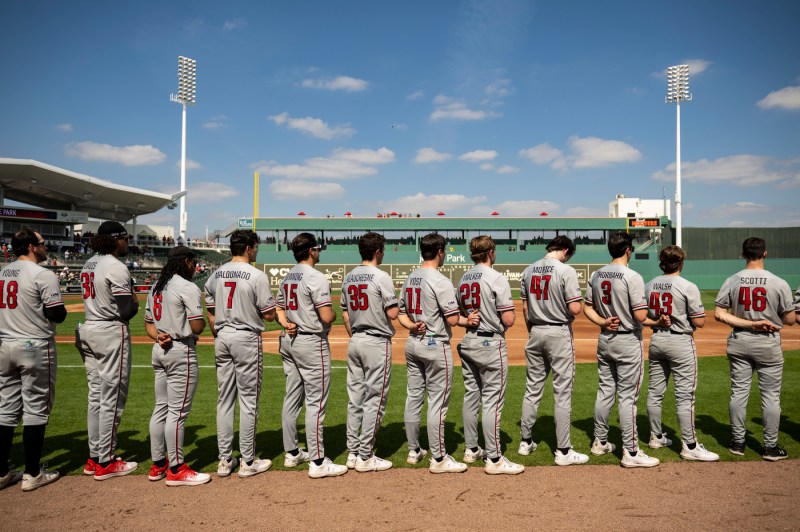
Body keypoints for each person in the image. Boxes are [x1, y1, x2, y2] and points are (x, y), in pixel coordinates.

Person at [583, 231, 668, 468]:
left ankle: (599, 442)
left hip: (605, 338)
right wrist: (656, 319)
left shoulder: (597, 274)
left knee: (605, 392)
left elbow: (587, 307)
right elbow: (640, 315)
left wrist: (601, 321)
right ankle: (630, 451)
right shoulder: (632, 276)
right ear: (628, 249)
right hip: (628, 340)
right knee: (628, 398)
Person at [399, 233, 477, 474]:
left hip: (413, 343)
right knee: (437, 403)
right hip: (435, 345)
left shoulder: (410, 277)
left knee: (414, 398)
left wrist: (412, 326)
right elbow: (453, 319)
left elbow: (401, 313)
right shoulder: (440, 280)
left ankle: (414, 451)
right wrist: (469, 320)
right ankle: (439, 457)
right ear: (440, 251)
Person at [714, 237, 796, 460]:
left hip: (739, 340)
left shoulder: (732, 280)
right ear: (765, 253)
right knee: (770, 396)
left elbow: (720, 313)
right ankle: (770, 448)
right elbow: (789, 320)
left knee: (739, 393)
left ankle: (738, 443)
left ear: (743, 254)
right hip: (768, 341)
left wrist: (748, 322)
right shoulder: (778, 282)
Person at [204, 230, 276, 478]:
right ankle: (247, 461)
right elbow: (268, 313)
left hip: (222, 336)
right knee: (248, 401)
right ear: (248, 247)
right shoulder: (257, 275)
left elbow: (210, 307)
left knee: (224, 400)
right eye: (255, 246)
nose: (257, 250)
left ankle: (224, 460)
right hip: (245, 337)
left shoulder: (216, 273)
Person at [276, 233, 347, 479]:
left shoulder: (288, 275)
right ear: (310, 251)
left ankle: (292, 452)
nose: (319, 252)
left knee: (292, 397)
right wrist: (334, 316)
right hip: (311, 341)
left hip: (290, 340)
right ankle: (317, 461)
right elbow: (327, 316)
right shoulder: (315, 277)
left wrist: (286, 323)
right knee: (316, 403)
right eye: (317, 248)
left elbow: (278, 308)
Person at [0, 228, 66, 491]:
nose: (45, 247)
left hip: (5, 344)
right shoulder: (43, 274)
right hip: (35, 344)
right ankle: (32, 473)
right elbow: (58, 314)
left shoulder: (3, 271)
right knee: (36, 410)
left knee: (6, 410)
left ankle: (2, 472)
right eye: (42, 243)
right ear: (30, 246)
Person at [76, 221, 140, 480]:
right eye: (125, 238)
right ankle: (106, 461)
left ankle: (94, 458)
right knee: (112, 397)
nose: (127, 243)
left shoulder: (89, 263)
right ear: (116, 239)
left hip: (88, 328)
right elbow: (126, 310)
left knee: (96, 397)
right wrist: (136, 300)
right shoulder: (116, 266)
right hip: (110, 331)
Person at [519, 235, 589, 466]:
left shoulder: (528, 270)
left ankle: (525, 441)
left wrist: (532, 329)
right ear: (566, 250)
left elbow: (525, 307)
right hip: (558, 332)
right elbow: (575, 308)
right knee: (562, 392)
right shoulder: (565, 270)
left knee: (532, 388)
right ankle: (563, 451)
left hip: (536, 331)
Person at [456, 236, 523, 475]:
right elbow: (508, 319)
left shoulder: (463, 278)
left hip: (468, 339)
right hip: (490, 342)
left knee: (471, 396)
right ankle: (494, 458)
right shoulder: (496, 277)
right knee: (492, 400)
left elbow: (458, 313)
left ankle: (471, 448)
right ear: (491, 252)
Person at [644, 245, 719, 461]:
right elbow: (699, 321)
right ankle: (690, 445)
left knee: (655, 393)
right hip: (680, 342)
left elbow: (646, 315)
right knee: (684, 396)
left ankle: (655, 436)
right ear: (681, 263)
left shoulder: (649, 285)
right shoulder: (687, 286)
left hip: (657, 339)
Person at [145, 246, 210, 486]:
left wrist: (159, 335)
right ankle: (176, 468)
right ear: (187, 262)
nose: (196, 266)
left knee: (161, 408)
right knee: (177, 412)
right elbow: (197, 326)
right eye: (194, 262)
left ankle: (158, 464)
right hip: (180, 350)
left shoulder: (156, 286)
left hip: (159, 349)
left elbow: (149, 325)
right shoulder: (187, 287)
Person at [341, 232, 398, 473]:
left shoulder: (349, 276)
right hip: (376, 342)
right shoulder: (381, 276)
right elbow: (393, 313)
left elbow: (345, 313)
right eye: (382, 250)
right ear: (377, 252)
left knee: (355, 399)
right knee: (375, 399)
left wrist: (354, 332)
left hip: (355, 339)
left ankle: (353, 452)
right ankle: (366, 455)